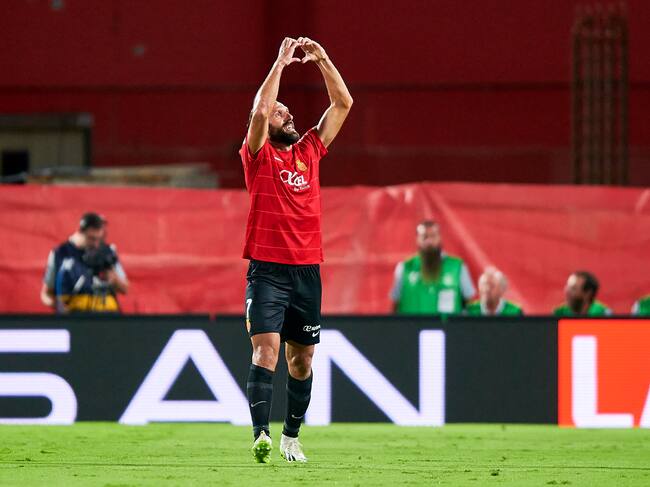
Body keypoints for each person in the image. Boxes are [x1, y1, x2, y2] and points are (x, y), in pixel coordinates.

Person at [239, 37, 352, 464]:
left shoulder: (309, 150)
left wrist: (323, 58)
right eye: (283, 112)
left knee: (300, 361)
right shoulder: (258, 156)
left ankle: (291, 436)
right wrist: (281, 63)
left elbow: (342, 104)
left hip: (307, 271)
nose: (289, 116)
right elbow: (260, 111)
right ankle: (260, 434)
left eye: (289, 112)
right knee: (265, 351)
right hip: (267, 270)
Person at [40, 212, 129, 313]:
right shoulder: (60, 254)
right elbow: (45, 294)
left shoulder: (108, 252)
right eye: (91, 239)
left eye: (98, 239)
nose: (96, 244)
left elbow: (125, 288)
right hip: (75, 318)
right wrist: (57, 305)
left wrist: (113, 278)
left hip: (106, 316)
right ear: (79, 231)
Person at [390, 220, 476, 315]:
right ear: (417, 239)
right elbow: (394, 305)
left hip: (447, 328)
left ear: (439, 238)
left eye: (433, 236)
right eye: (424, 237)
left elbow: (470, 304)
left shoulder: (457, 267)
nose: (429, 241)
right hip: (412, 328)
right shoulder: (404, 268)